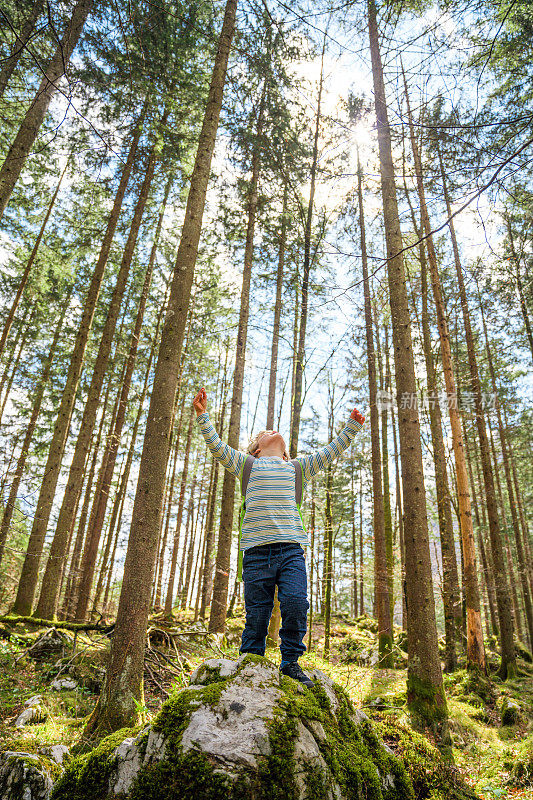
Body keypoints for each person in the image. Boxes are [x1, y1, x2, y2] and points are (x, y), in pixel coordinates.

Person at [192, 386, 365, 688]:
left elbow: (331, 451)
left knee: (296, 604)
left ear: (286, 452)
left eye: (275, 431)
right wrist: (203, 416)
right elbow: (217, 447)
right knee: (257, 614)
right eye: (265, 432)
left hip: (290, 552)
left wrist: (351, 427)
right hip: (256, 555)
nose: (272, 431)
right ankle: (252, 660)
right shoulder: (247, 466)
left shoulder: (297, 468)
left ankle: (290, 662)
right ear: (256, 449)